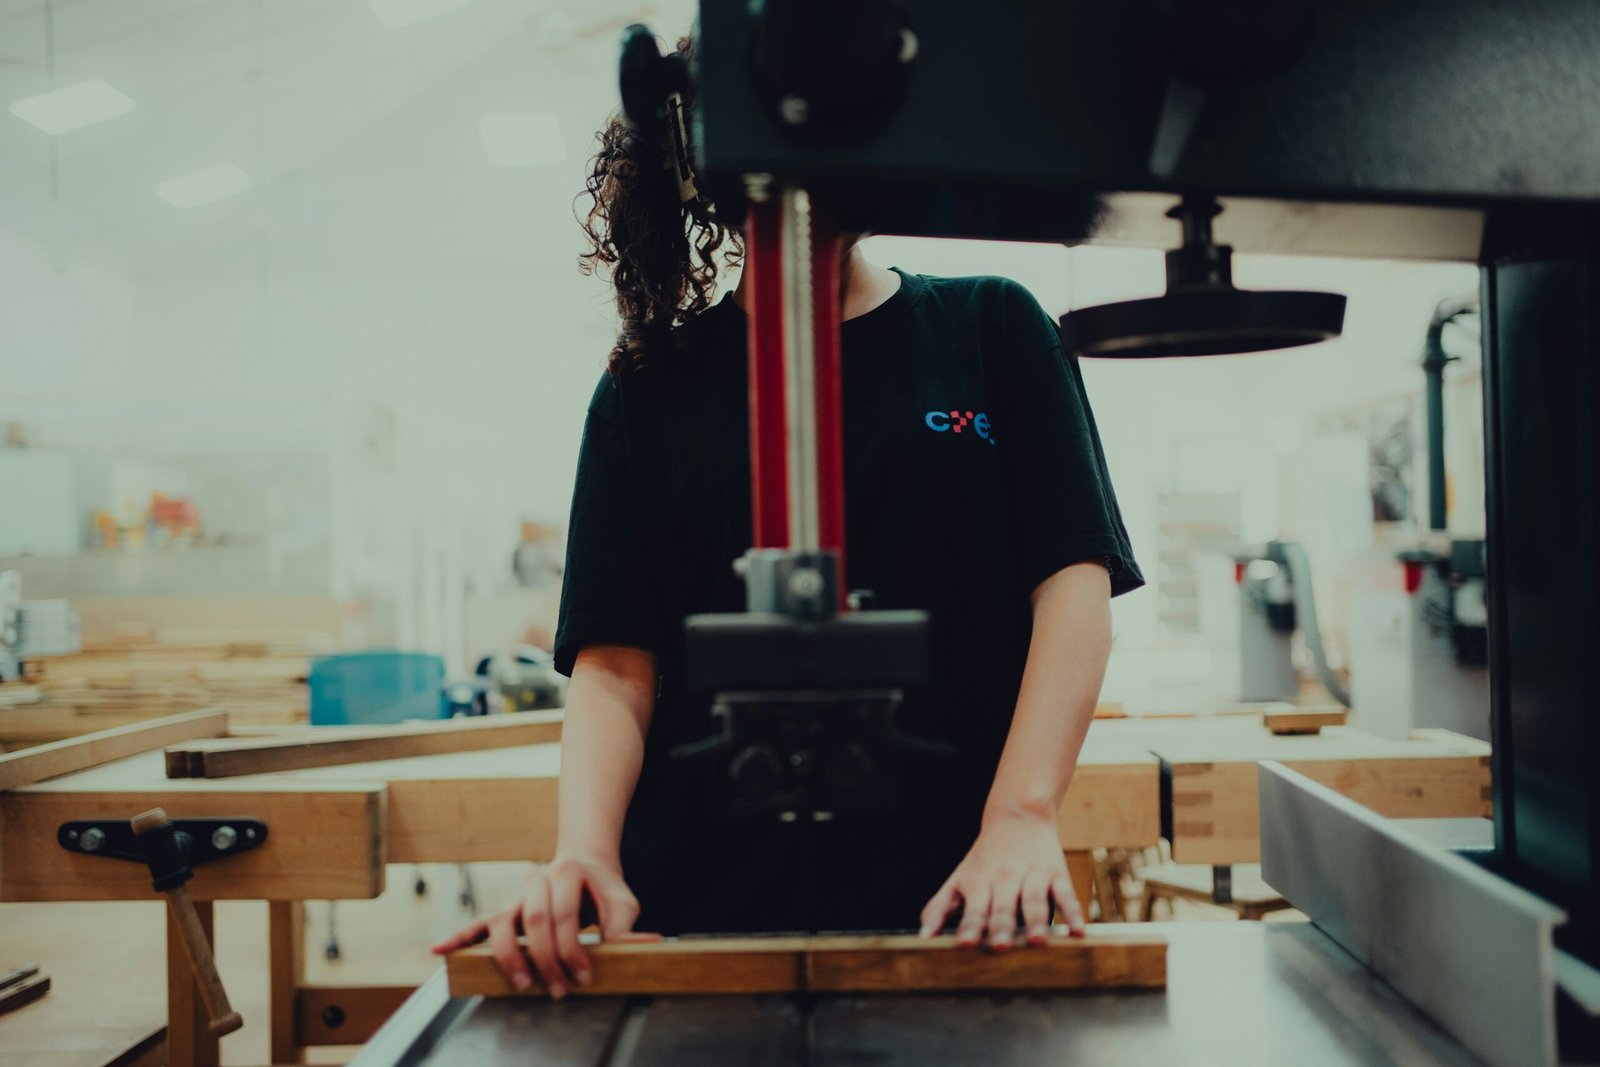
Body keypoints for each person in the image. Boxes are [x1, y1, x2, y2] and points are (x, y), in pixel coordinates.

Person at [432, 35, 1143, 999]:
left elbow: (1074, 590)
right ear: (700, 155)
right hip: (698, 908)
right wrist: (583, 854)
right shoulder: (649, 387)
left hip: (963, 896)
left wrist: (1020, 816)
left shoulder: (994, 329)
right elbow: (613, 666)